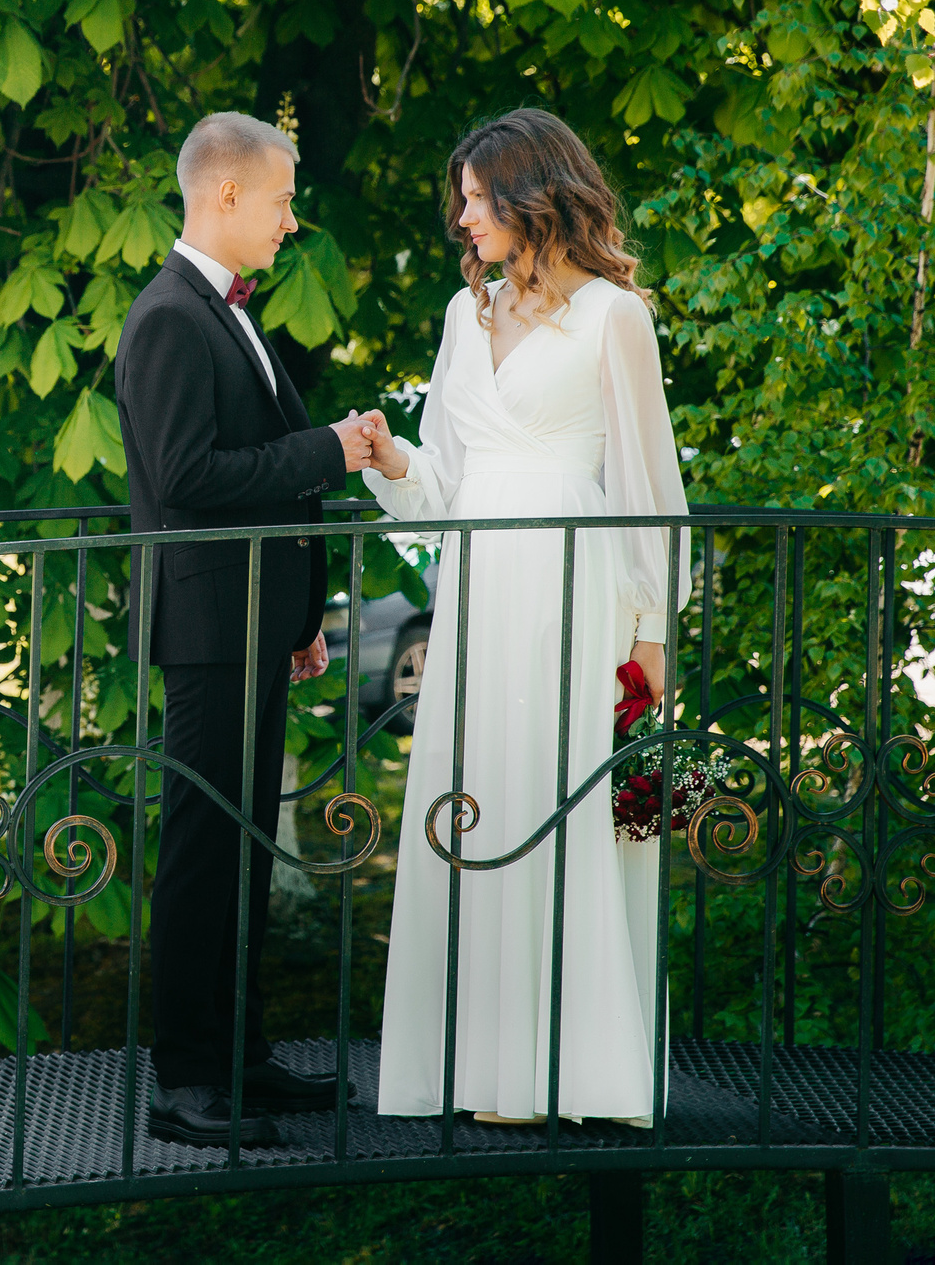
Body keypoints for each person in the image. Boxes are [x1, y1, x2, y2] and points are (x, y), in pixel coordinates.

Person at [357, 106, 689, 1127]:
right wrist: (391, 458)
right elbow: (444, 482)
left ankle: (563, 1069)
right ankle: (480, 1065)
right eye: (461, 200)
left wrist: (651, 633)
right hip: (477, 592)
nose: (462, 218)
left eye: (475, 198)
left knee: (556, 797)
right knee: (480, 798)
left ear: (529, 196)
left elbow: (650, 488)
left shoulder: (614, 318)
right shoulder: (466, 318)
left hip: (574, 589)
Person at [113, 111, 382, 1149]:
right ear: (226, 194)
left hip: (252, 620)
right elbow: (188, 478)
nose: (290, 221)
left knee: (244, 846)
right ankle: (186, 1079)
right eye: (281, 200)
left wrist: (296, 617)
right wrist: (330, 450)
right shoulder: (169, 317)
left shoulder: (223, 311)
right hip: (208, 626)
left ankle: (238, 1055)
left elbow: (246, 467)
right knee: (201, 850)